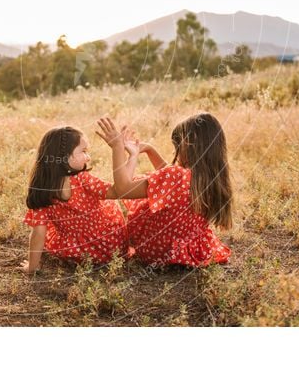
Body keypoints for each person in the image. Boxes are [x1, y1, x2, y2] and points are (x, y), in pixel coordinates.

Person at [95, 113, 233, 266]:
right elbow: (172, 183)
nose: (176, 153)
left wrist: (119, 149)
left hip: (159, 250)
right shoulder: (211, 177)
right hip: (195, 249)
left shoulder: (176, 177)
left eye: (177, 147)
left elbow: (123, 189)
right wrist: (150, 150)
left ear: (189, 144)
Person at [20, 125, 129, 273]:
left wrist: (31, 267)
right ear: (64, 156)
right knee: (110, 203)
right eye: (83, 151)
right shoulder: (82, 179)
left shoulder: (41, 189)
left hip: (73, 252)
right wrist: (120, 151)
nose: (88, 157)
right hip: (109, 245)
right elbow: (117, 192)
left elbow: (39, 233)